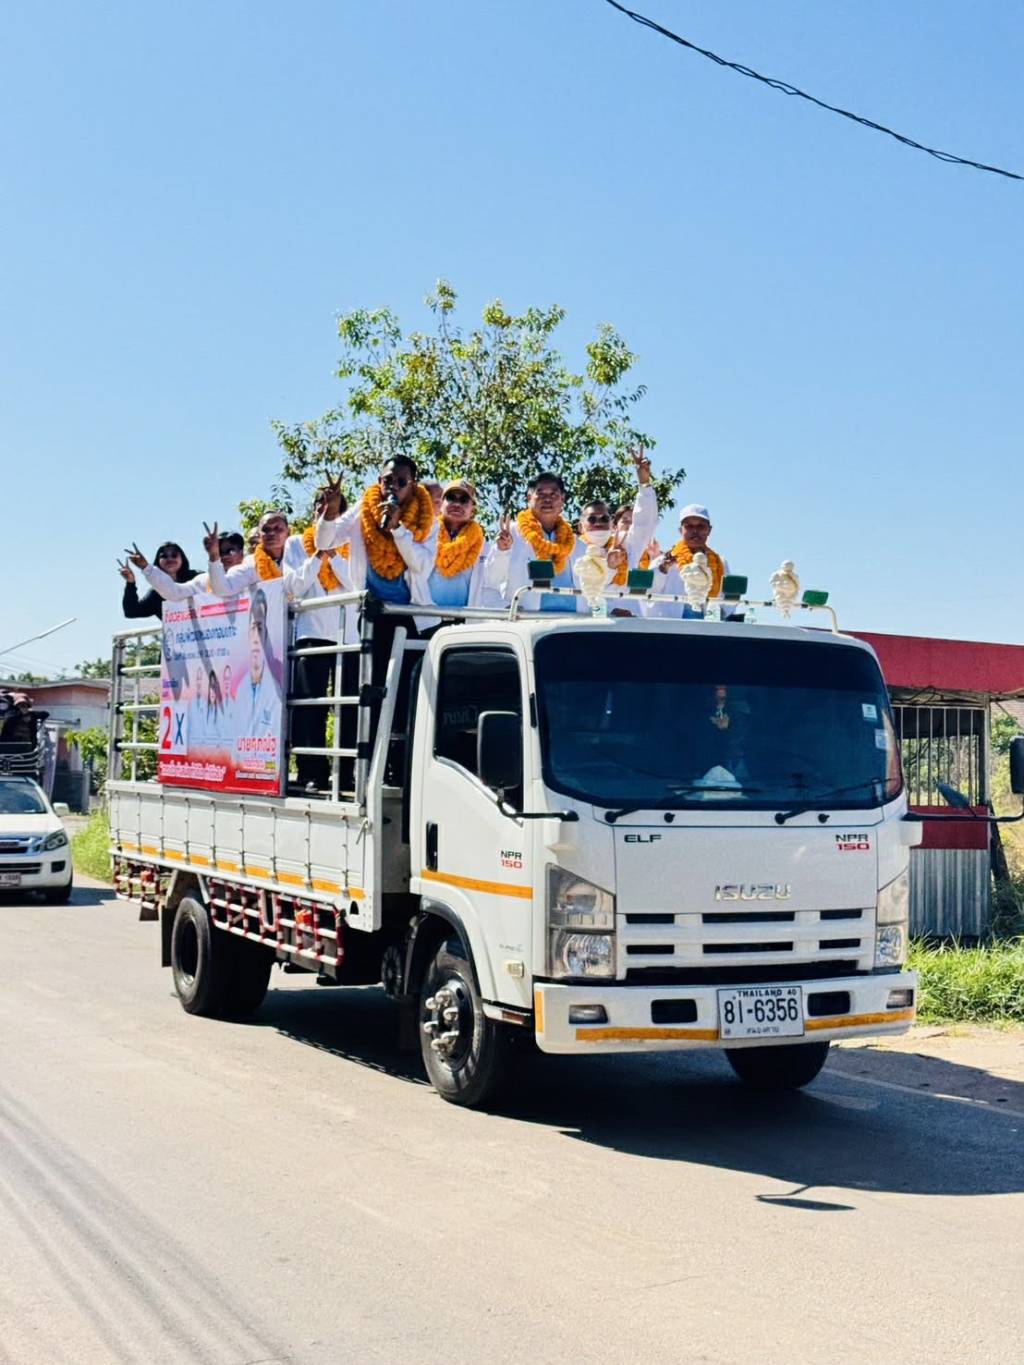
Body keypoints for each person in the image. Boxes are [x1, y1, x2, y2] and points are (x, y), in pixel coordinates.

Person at [205, 508, 341, 790]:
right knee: (282, 710)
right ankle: (281, 770)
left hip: (308, 637)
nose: (271, 533)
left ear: (288, 531)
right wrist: (214, 557)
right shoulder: (252, 564)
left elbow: (301, 585)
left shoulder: (300, 551)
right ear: (258, 534)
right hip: (268, 648)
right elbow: (221, 588)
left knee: (311, 707)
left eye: (278, 528)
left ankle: (316, 772)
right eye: (266, 529)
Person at [491, 449, 656, 614]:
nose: (547, 499)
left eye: (553, 494)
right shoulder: (512, 535)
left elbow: (595, 586)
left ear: (562, 499)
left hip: (573, 624)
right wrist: (502, 551)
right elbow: (490, 579)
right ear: (529, 499)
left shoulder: (575, 543)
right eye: (540, 494)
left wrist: (611, 570)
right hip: (528, 622)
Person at [424, 480, 505, 615]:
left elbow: (490, 585)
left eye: (464, 500)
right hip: (424, 617)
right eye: (451, 498)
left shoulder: (483, 547)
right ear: (442, 503)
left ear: (473, 509)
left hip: (464, 620)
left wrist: (503, 551)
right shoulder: (424, 534)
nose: (457, 504)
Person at [648, 503, 732, 618]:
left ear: (709, 530)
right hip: (670, 624)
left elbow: (728, 597)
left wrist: (721, 612)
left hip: (708, 623)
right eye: (689, 526)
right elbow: (648, 592)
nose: (695, 531)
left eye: (700, 526)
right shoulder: (664, 560)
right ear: (680, 530)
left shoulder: (720, 563)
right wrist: (663, 569)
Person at [135, 531, 245, 600]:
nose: (224, 556)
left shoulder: (252, 574)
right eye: (219, 552)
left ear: (241, 553)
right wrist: (146, 568)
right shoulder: (203, 581)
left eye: (230, 551)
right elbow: (175, 592)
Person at [244, 586, 283, 738]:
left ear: (267, 634)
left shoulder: (277, 682)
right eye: (253, 628)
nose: (256, 637)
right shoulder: (236, 687)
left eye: (260, 628)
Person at [119, 542, 194, 620]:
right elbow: (131, 612)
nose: (169, 559)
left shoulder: (196, 578)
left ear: (182, 559)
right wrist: (130, 583)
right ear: (158, 562)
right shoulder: (156, 594)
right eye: (164, 556)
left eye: (174, 555)